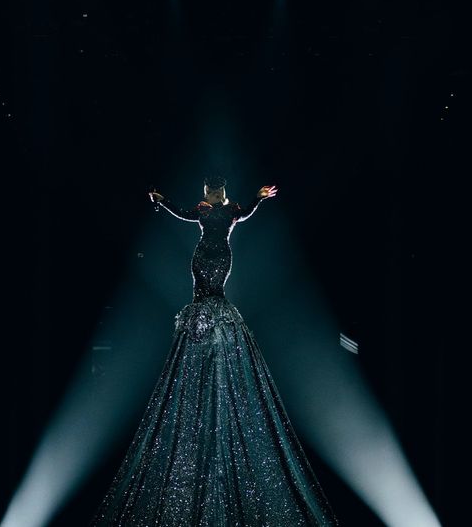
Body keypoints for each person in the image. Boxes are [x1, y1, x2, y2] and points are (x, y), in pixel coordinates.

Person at [89, 176, 339, 526]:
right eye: (210, 191)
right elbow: (180, 213)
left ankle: (211, 323)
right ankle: (201, 326)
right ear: (206, 191)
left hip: (221, 256)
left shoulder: (232, 210)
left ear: (222, 192)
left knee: (215, 297)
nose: (212, 195)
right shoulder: (202, 210)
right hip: (201, 258)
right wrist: (160, 199)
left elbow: (249, 210)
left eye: (216, 192)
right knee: (201, 298)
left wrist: (260, 198)